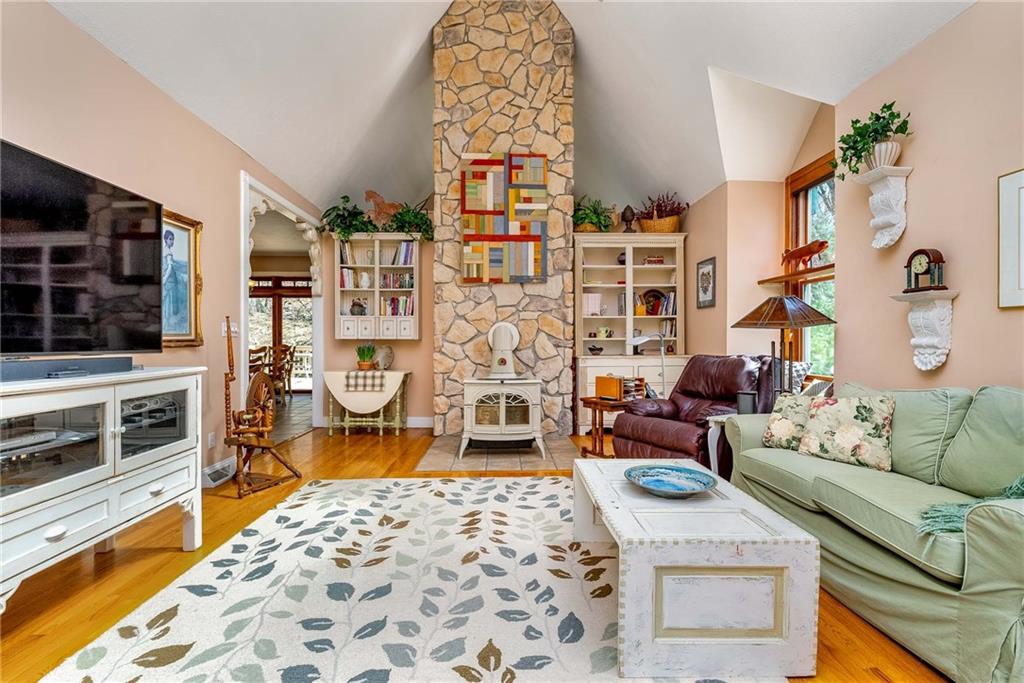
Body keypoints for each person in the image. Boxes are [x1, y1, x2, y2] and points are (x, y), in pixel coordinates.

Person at [162, 229, 189, 333]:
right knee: (167, 303)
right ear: (165, 239)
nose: (172, 241)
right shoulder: (168, 252)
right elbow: (169, 268)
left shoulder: (166, 251)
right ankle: (166, 325)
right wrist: (164, 279)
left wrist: (164, 278)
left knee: (167, 304)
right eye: (170, 239)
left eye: (173, 239)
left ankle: (167, 325)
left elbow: (169, 267)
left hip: (169, 281)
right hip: (169, 281)